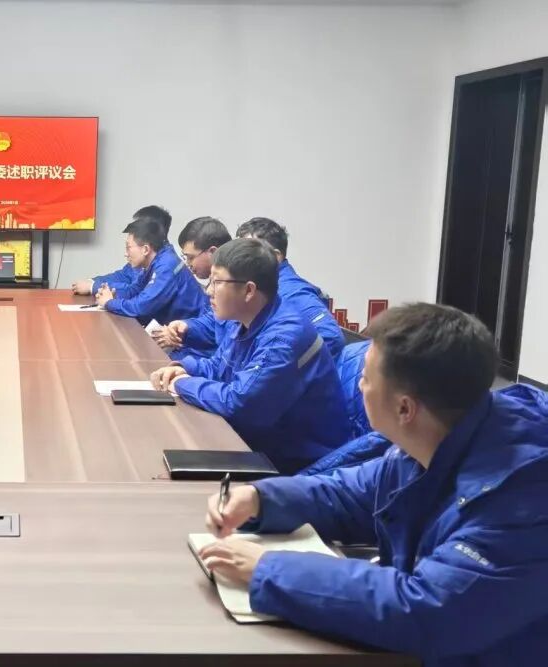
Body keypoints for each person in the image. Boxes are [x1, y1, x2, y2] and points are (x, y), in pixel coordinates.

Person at [198, 303, 548, 666]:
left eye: (365, 378)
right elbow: (351, 496)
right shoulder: (442, 436)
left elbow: (428, 611)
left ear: (404, 409)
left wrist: (268, 569)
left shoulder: (523, 498)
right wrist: (261, 498)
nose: (359, 385)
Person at [150, 238, 348, 473]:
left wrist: (182, 383)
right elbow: (219, 367)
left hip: (295, 465)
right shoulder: (244, 320)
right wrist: (184, 368)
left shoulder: (283, 338)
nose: (209, 291)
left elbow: (238, 404)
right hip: (258, 443)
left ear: (249, 290)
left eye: (217, 282)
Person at [235, 217, 343, 360]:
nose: (238, 259)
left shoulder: (292, 291)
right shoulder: (259, 287)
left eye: (248, 252)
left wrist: (280, 365)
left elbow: (331, 337)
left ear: (276, 256)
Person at [95, 216, 209, 325]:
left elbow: (141, 307)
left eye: (128, 248)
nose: (126, 254)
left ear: (145, 249)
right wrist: (113, 296)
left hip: (192, 332)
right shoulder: (156, 261)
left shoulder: (166, 265)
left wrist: (109, 303)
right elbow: (134, 290)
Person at [152, 217, 234, 359]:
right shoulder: (215, 281)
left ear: (213, 252)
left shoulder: (232, 287)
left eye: (190, 257)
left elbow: (217, 341)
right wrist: (184, 328)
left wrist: (180, 339)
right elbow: (212, 322)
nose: (188, 264)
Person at [71, 205, 171, 296]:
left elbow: (135, 293)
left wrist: (92, 287)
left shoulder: (164, 265)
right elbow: (122, 276)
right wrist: (91, 282)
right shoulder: (145, 257)